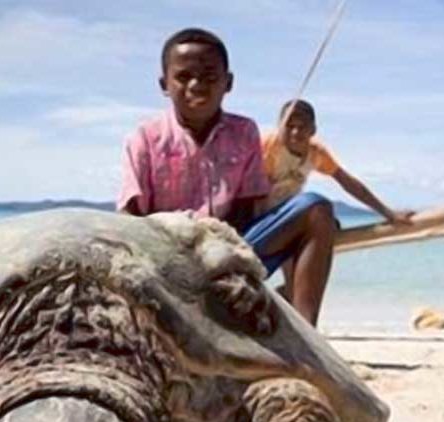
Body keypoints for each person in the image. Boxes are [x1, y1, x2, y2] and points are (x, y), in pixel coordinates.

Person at [117, 27, 338, 326]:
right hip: (166, 258)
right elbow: (131, 220)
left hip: (230, 250)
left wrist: (222, 254)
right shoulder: (144, 138)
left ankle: (307, 332)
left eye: (209, 77)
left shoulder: (244, 132)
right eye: (183, 77)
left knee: (317, 209)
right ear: (164, 84)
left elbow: (248, 208)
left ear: (228, 83)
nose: (197, 86)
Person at [261, 99, 414, 308]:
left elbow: (347, 182)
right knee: (294, 281)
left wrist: (388, 213)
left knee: (326, 227)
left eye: (302, 126)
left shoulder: (316, 153)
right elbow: (248, 188)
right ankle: (279, 301)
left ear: (313, 130)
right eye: (289, 126)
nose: (295, 132)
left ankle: (277, 300)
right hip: (264, 219)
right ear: (279, 127)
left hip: (292, 215)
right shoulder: (268, 146)